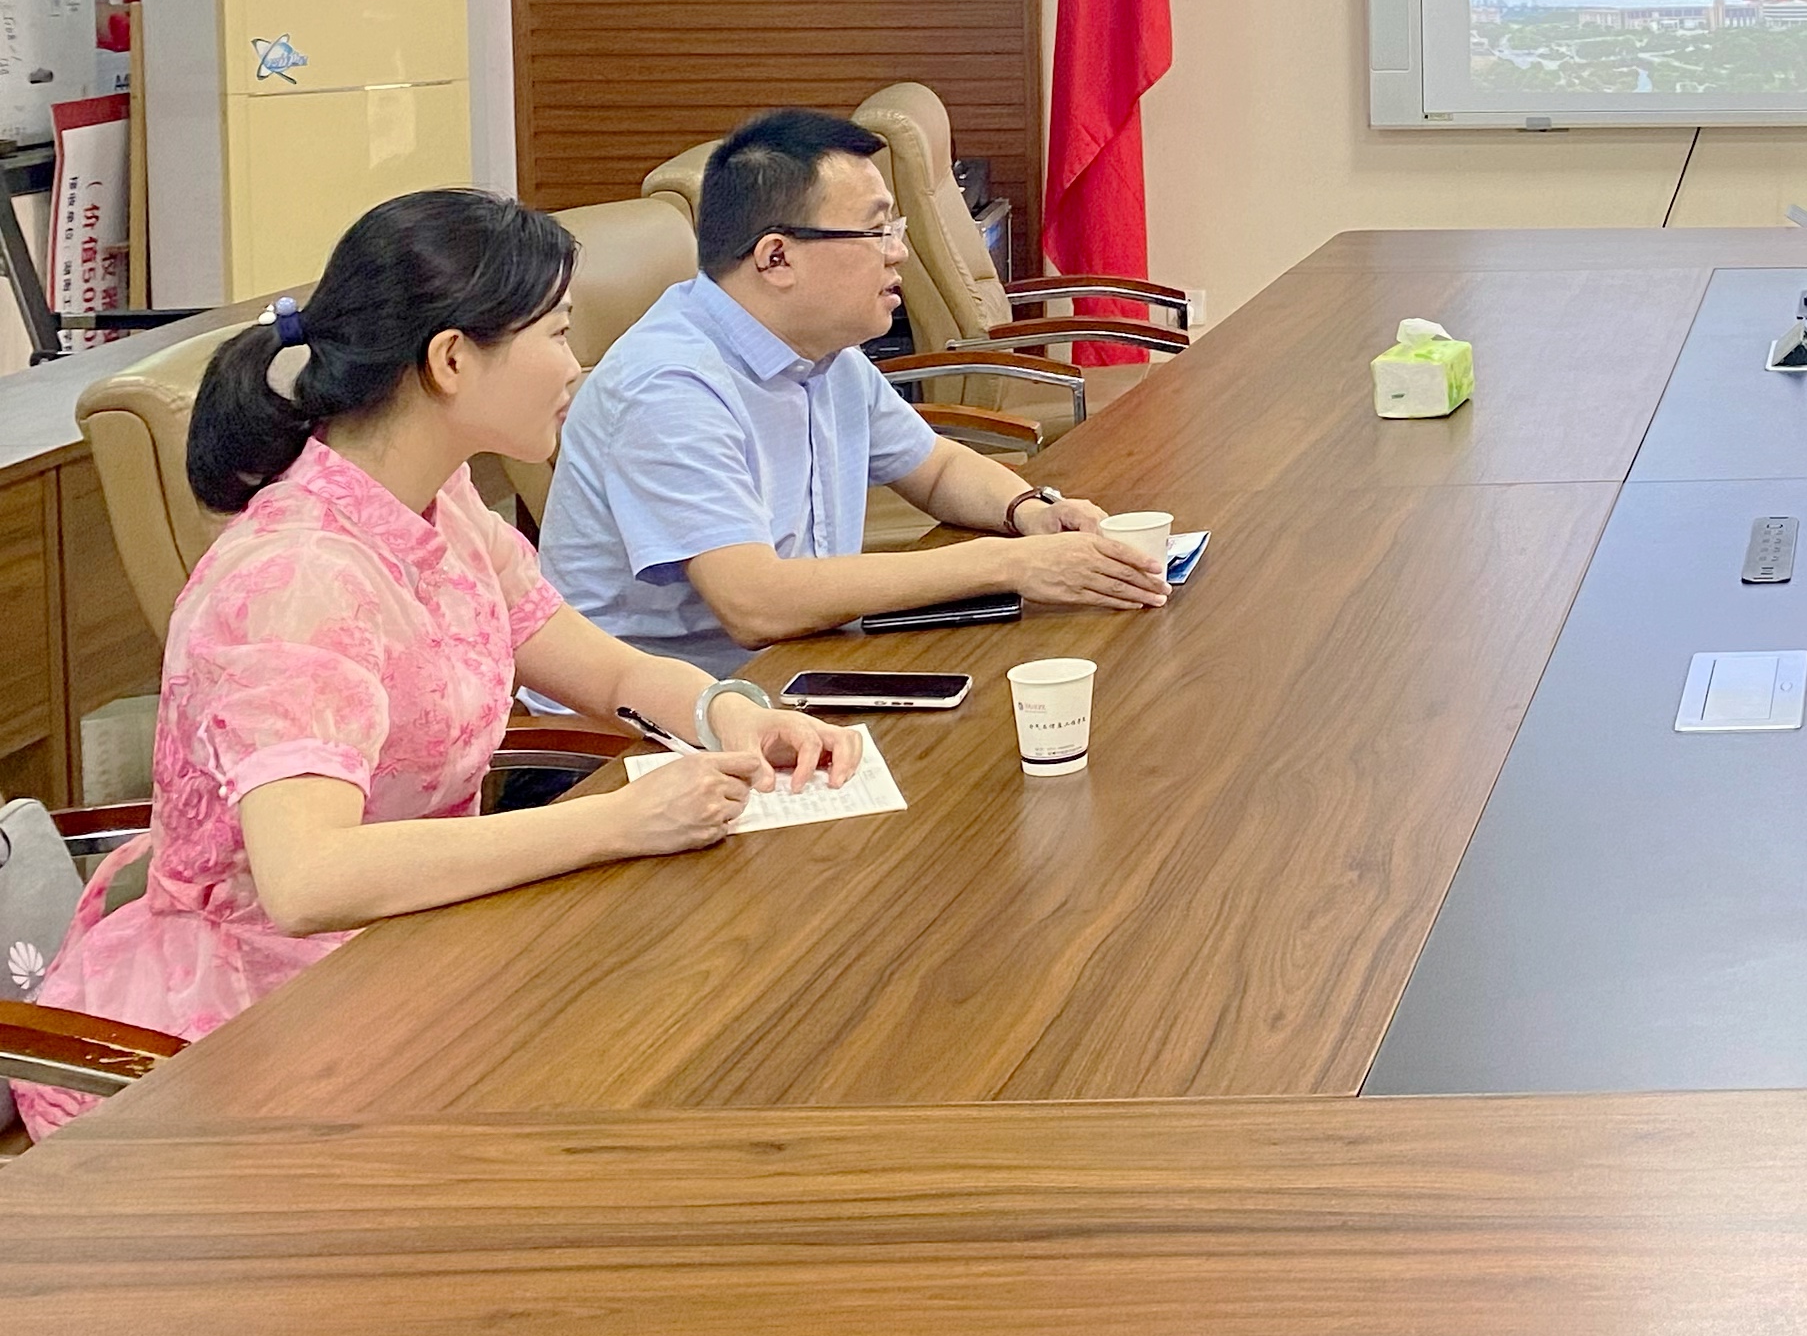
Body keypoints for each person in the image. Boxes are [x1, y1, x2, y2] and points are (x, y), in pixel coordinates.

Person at [11, 188, 864, 1137]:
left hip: (423, 946)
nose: (575, 365)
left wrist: (731, 714)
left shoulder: (439, 499)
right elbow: (309, 880)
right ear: (452, 359)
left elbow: (609, 673)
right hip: (257, 1029)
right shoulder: (297, 578)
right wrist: (621, 821)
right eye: (557, 335)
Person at [539, 108, 1165, 671]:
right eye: (876, 232)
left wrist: (1031, 512)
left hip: (803, 670)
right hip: (660, 729)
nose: (899, 254)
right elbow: (754, 604)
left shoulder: (823, 350)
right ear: (776, 258)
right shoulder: (669, 385)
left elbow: (937, 470)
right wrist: (1009, 565)